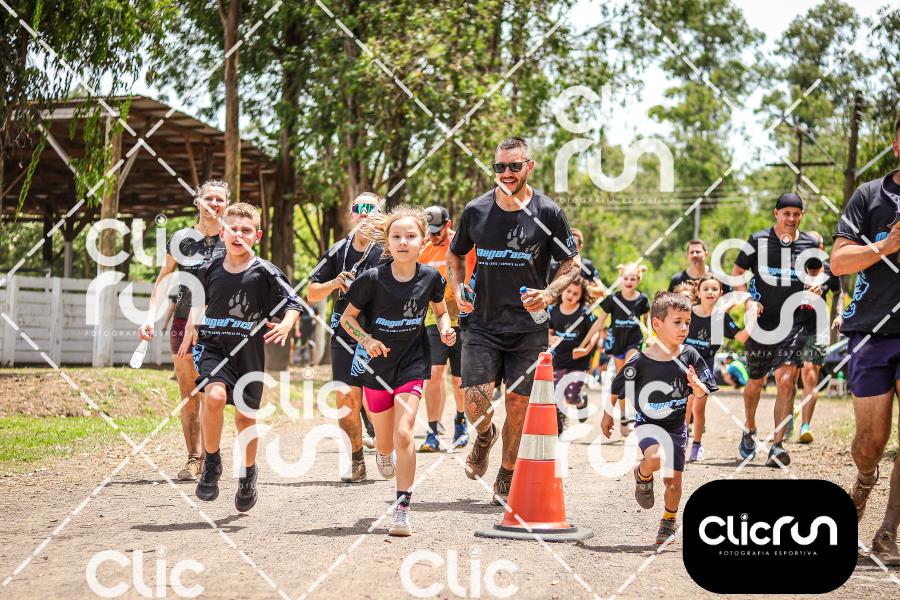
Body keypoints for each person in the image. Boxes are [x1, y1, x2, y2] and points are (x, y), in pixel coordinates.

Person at [447, 136, 580, 504]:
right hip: (482, 324)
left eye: (514, 166)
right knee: (475, 404)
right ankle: (484, 436)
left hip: (528, 327)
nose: (506, 173)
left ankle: (507, 473)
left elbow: (572, 264)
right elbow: (455, 255)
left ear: (529, 167)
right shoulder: (476, 210)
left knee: (518, 405)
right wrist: (457, 288)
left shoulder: (548, 212)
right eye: (499, 167)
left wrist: (549, 293)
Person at [339, 205, 455, 536]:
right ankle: (384, 452)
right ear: (387, 242)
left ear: (423, 241)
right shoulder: (372, 279)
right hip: (376, 367)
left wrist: (445, 329)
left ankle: (402, 509)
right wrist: (367, 339)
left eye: (410, 236)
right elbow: (347, 319)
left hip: (412, 363)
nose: (403, 242)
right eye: (396, 236)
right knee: (385, 441)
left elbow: (440, 311)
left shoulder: (431, 277)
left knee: (404, 433)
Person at [179, 203, 301, 512]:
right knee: (214, 396)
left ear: (257, 236)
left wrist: (286, 324)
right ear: (222, 233)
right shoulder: (209, 269)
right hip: (213, 348)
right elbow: (198, 301)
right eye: (233, 229)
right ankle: (212, 461)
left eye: (246, 230)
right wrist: (192, 327)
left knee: (246, 417)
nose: (239, 234)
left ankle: (247, 474)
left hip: (248, 355)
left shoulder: (265, 272)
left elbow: (293, 302)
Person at [830, 115, 900, 566]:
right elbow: (838, 262)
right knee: (870, 441)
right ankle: (865, 477)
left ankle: (888, 531)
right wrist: (885, 246)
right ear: (895, 146)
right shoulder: (869, 196)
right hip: (872, 329)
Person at [601, 292, 717, 545]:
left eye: (687, 322)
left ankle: (668, 522)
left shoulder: (691, 356)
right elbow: (616, 387)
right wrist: (607, 415)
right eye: (677, 322)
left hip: (676, 428)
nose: (684, 327)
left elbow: (703, 392)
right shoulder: (641, 361)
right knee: (654, 458)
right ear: (657, 324)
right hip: (648, 424)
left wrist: (696, 385)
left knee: (673, 482)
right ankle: (642, 474)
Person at [138, 179, 229, 481]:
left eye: (220, 199)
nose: (214, 204)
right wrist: (149, 317)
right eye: (209, 198)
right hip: (182, 322)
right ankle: (194, 459)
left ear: (226, 205)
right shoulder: (181, 239)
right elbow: (163, 278)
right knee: (189, 395)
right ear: (198, 202)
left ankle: (212, 456)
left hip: (219, 325)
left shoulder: (233, 238)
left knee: (213, 393)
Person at [731, 192, 819, 467]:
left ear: (801, 216)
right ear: (776, 213)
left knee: (785, 380)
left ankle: (777, 445)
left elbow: (816, 273)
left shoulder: (809, 244)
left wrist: (814, 286)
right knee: (755, 383)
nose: (791, 218)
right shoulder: (758, 240)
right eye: (786, 213)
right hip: (761, 322)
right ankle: (750, 427)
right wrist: (748, 300)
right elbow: (737, 274)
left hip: (793, 322)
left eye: (796, 214)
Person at [307, 193, 385, 482]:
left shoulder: (388, 250)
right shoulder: (339, 250)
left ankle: (384, 446)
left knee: (374, 400)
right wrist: (334, 282)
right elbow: (311, 293)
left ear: (380, 215)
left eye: (371, 209)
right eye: (359, 209)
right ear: (351, 214)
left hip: (378, 334)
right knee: (346, 397)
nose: (364, 214)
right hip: (344, 333)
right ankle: (356, 460)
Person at [576, 263, 650, 436]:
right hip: (617, 344)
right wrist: (583, 344)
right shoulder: (613, 299)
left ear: (638, 280)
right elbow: (599, 323)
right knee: (621, 379)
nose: (629, 281)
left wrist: (650, 336)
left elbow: (647, 321)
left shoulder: (642, 299)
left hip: (634, 342)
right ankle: (624, 417)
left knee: (630, 371)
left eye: (633, 279)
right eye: (626, 278)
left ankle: (640, 413)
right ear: (620, 279)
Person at [418, 205, 469, 452]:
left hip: (463, 318)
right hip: (434, 317)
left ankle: (460, 421)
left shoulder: (463, 245)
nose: (433, 235)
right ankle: (432, 431)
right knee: (435, 373)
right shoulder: (424, 251)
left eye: (437, 230)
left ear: (448, 224)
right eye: (429, 231)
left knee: (459, 379)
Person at [683, 274, 750, 461]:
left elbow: (741, 337)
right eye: (706, 289)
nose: (710, 292)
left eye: (714, 289)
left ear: (721, 293)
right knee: (685, 406)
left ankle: (697, 445)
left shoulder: (721, 316)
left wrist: (752, 317)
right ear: (698, 292)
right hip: (685, 363)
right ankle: (682, 441)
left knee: (698, 409)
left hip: (705, 365)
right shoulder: (688, 312)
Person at [794, 231, 843, 444]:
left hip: (818, 330)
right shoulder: (794, 268)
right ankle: (788, 415)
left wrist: (839, 314)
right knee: (789, 378)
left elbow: (838, 292)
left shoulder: (830, 269)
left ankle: (805, 426)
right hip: (793, 328)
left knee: (810, 374)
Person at [548, 278, 597, 433]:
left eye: (576, 293)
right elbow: (549, 331)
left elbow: (595, 333)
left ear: (581, 296)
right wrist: (550, 338)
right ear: (562, 290)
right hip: (559, 359)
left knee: (570, 396)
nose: (570, 295)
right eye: (568, 291)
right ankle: (559, 427)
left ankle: (581, 401)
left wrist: (586, 350)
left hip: (579, 362)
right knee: (556, 393)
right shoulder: (553, 311)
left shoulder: (584, 312)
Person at [548, 228, 605, 299]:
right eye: (566, 244)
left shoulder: (587, 266)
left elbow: (601, 291)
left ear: (580, 247)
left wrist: (584, 287)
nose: (568, 248)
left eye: (573, 245)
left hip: (579, 305)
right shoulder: (552, 266)